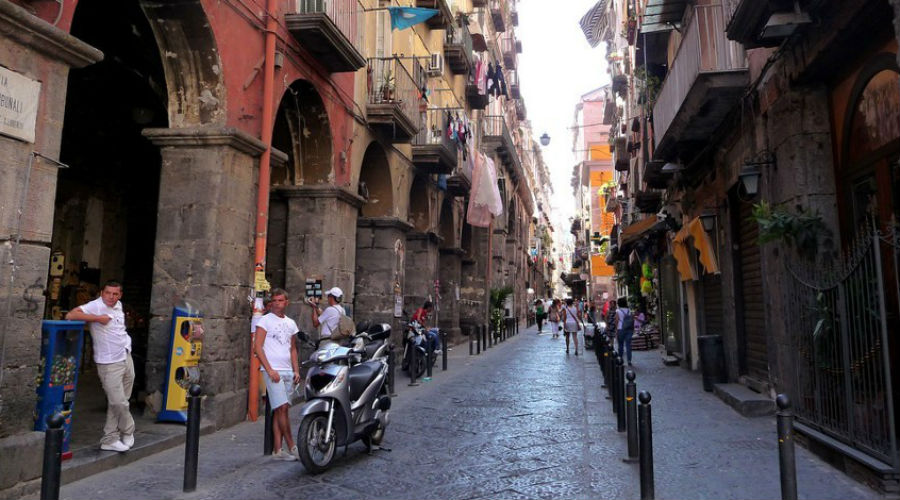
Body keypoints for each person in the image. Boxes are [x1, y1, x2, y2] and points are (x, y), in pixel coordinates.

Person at [65, 280, 135, 453]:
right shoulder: (95, 306)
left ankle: (110, 438)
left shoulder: (118, 306)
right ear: (102, 293)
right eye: (108, 293)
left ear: (120, 295)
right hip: (108, 362)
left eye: (115, 294)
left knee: (118, 401)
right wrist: (97, 319)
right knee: (119, 401)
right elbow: (71, 315)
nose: (111, 297)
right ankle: (129, 429)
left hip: (125, 356)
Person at [254, 288, 301, 461]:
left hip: (287, 369)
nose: (277, 304)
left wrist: (296, 370)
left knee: (281, 410)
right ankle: (292, 446)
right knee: (281, 408)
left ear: (286, 302)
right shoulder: (264, 321)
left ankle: (278, 450)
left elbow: (293, 348)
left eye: (280, 300)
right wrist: (269, 370)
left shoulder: (291, 323)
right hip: (272, 370)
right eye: (274, 300)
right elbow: (257, 347)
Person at [616, 297, 635, 366]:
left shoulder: (618, 311)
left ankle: (620, 359)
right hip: (629, 329)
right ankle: (629, 360)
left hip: (620, 329)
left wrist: (616, 330)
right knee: (628, 345)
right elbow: (632, 320)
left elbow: (617, 321)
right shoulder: (629, 311)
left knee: (620, 345)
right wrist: (633, 329)